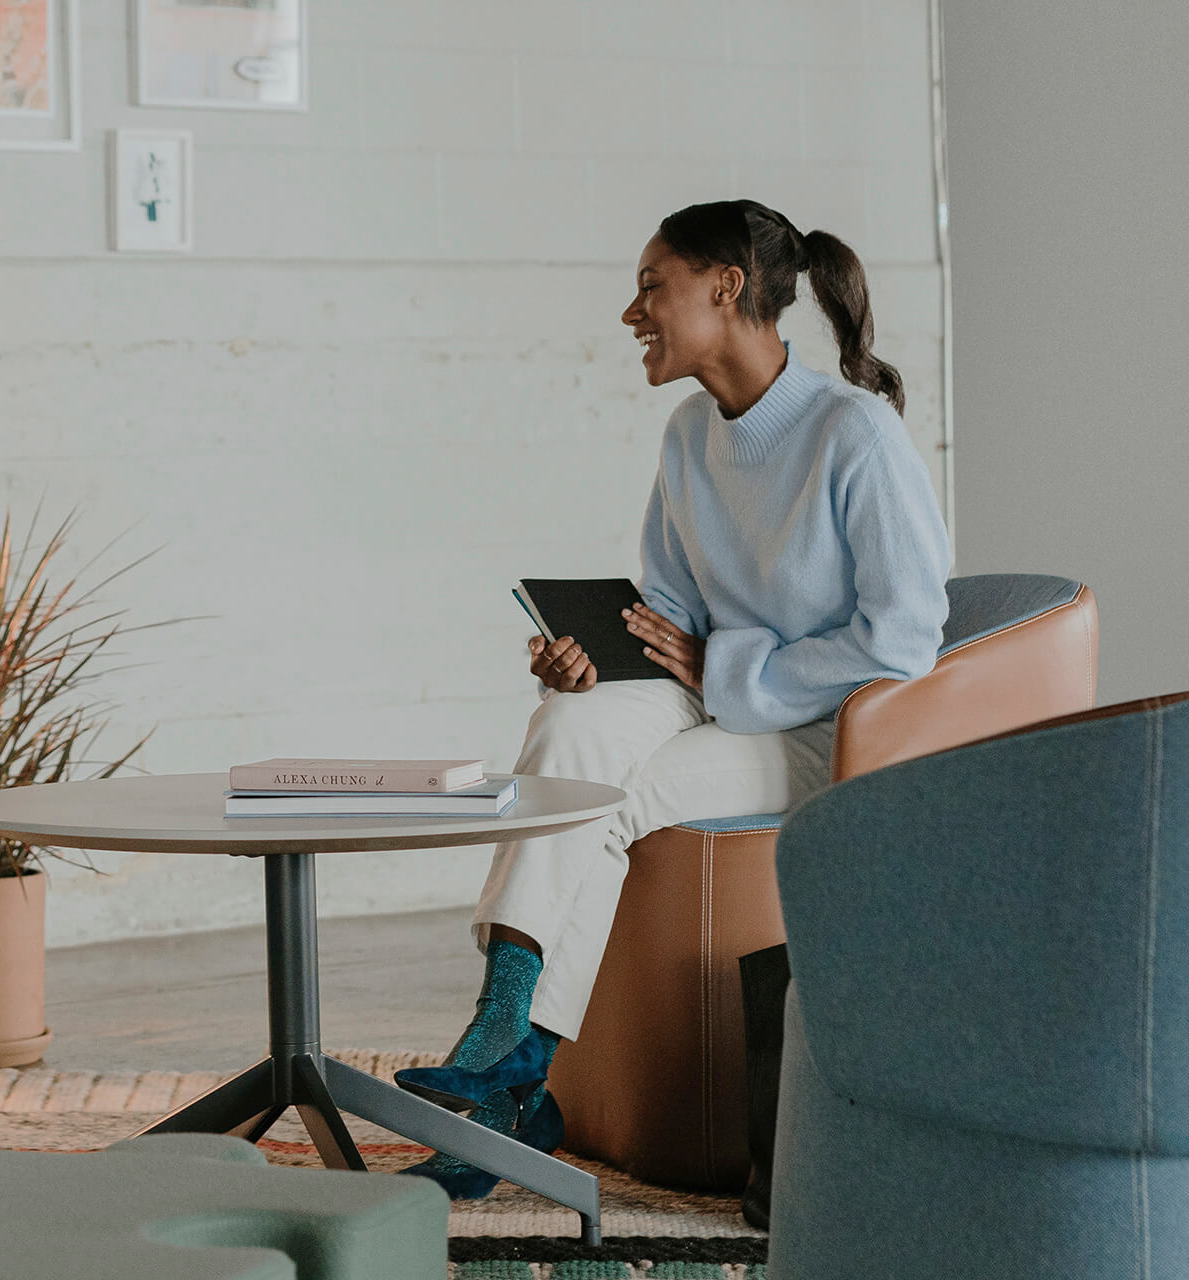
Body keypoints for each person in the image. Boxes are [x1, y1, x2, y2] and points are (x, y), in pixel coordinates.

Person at [394, 200, 952, 1200]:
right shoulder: (691, 432)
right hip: (719, 694)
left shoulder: (853, 432)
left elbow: (903, 639)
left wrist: (728, 666)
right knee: (570, 721)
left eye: (653, 285)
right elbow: (669, 613)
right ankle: (502, 1036)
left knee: (622, 796)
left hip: (831, 726)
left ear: (726, 288)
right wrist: (592, 659)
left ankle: (508, 1072)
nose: (632, 311)